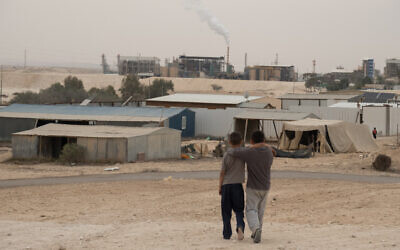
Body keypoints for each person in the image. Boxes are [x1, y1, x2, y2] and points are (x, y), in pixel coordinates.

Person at [228, 131, 274, 244]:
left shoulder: (249, 151)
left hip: (253, 186)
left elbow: (233, 151)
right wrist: (265, 145)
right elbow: (273, 153)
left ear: (252, 140)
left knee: (251, 209)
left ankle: (255, 229)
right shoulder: (269, 151)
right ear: (264, 140)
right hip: (266, 186)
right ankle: (257, 232)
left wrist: (251, 146)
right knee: (260, 211)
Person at [218, 132, 246, 240]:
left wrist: (220, 186)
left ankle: (226, 234)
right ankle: (240, 226)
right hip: (237, 186)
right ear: (241, 141)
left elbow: (222, 172)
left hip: (226, 185)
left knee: (226, 211)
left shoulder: (226, 155)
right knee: (239, 210)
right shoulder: (243, 154)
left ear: (229, 142)